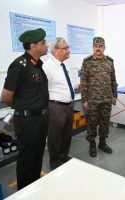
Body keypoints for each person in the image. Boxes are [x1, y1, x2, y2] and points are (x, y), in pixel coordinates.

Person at [1, 28, 49, 190]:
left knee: (37, 156)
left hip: (41, 118)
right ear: (33, 46)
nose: (47, 45)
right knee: (27, 158)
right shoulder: (19, 65)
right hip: (27, 120)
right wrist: (21, 110)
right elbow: (6, 96)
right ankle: (24, 192)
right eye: (43, 43)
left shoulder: (37, 65)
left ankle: (34, 188)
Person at [80, 36, 118, 157]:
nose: (98, 48)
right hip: (92, 100)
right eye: (96, 46)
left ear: (104, 48)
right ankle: (92, 143)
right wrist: (84, 100)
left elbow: (113, 79)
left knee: (105, 122)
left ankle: (102, 143)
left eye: (100, 46)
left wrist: (114, 95)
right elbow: (84, 82)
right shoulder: (87, 62)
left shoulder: (109, 62)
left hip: (107, 98)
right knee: (91, 122)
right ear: (93, 47)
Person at [42, 37, 75, 170]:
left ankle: (63, 155)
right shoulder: (47, 67)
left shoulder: (65, 64)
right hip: (55, 106)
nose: (68, 51)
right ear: (55, 50)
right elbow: (43, 89)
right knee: (55, 135)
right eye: (65, 48)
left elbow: (66, 84)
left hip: (69, 105)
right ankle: (54, 161)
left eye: (68, 47)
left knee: (67, 133)